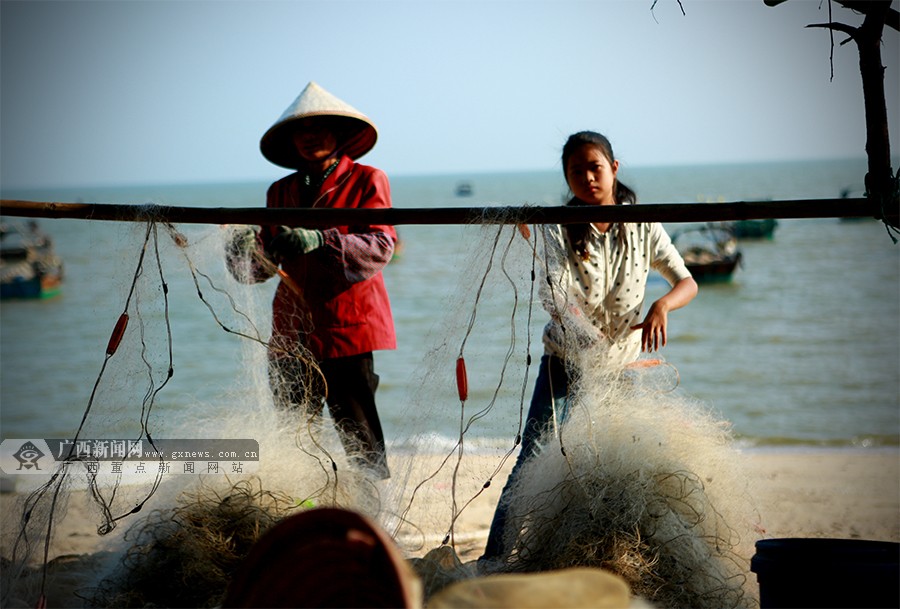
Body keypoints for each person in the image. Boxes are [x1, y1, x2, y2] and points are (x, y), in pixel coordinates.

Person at [481, 130, 698, 563]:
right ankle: (493, 558)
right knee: (534, 457)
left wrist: (662, 306)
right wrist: (586, 337)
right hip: (563, 363)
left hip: (620, 369)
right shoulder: (559, 227)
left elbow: (687, 281)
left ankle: (613, 555)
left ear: (614, 169)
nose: (587, 177)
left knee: (620, 464)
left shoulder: (644, 224)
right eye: (575, 171)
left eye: (594, 167)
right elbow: (555, 296)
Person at [227, 81, 397, 479]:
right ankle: (304, 513)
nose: (310, 137)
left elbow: (380, 244)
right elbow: (262, 268)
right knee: (295, 438)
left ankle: (373, 520)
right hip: (289, 331)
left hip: (346, 327)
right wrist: (241, 249)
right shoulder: (279, 191)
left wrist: (321, 239)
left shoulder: (367, 178)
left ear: (338, 133)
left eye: (318, 128)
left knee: (361, 438)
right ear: (290, 142)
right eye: (301, 131)